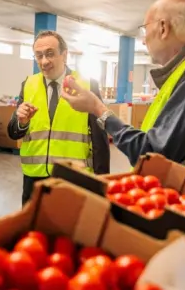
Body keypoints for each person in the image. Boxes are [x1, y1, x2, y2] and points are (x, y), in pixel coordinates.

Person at [61, 0, 185, 196]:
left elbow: (151, 155)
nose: (144, 40)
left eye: (145, 29)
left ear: (163, 28)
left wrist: (97, 108)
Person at [7, 30, 110, 205]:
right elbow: (13, 132)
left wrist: (101, 183)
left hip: (74, 177)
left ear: (64, 55)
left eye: (50, 54)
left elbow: (100, 138)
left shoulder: (86, 84)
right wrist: (21, 122)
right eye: (38, 56)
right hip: (34, 179)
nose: (44, 61)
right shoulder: (28, 84)